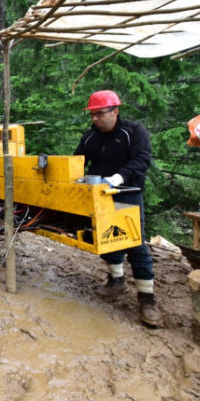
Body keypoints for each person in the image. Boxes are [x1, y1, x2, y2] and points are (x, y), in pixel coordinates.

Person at [74, 90, 164, 327]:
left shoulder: (133, 132)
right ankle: (116, 280)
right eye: (92, 114)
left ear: (115, 111)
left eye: (100, 114)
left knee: (134, 242)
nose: (95, 118)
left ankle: (147, 298)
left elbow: (141, 160)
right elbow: (78, 160)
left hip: (127, 193)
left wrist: (118, 178)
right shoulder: (90, 137)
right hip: (99, 195)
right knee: (106, 237)